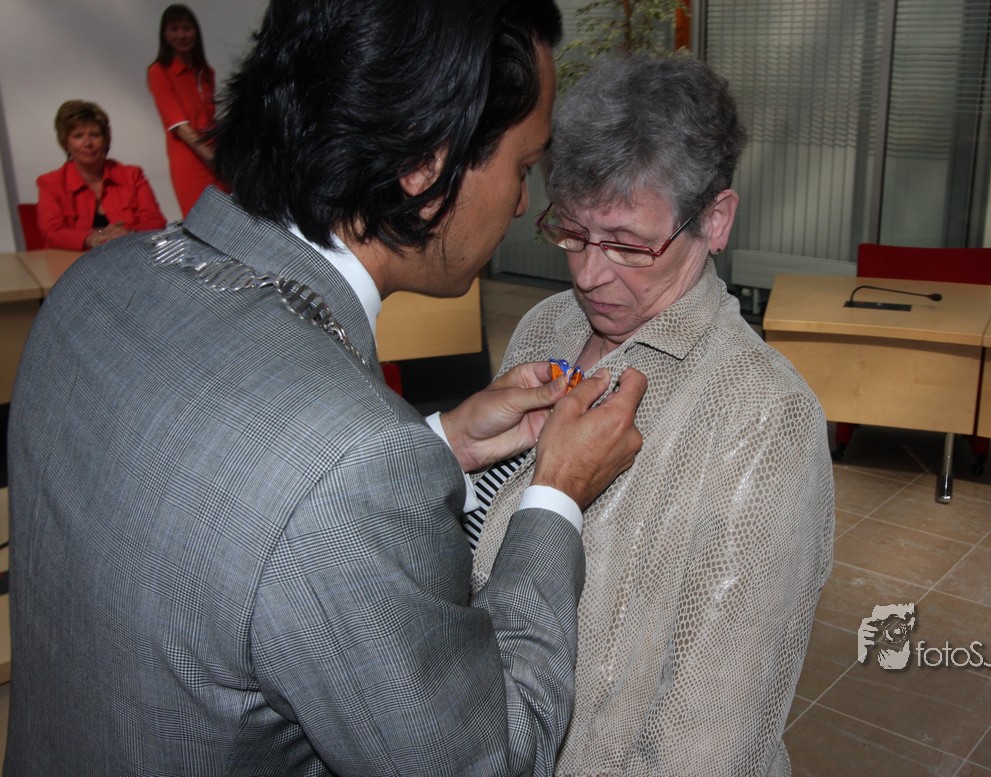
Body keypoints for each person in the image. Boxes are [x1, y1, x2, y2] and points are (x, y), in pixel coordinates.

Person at [5, 1, 647, 774]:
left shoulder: (93, 288)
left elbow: (231, 507)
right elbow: (486, 756)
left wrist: (439, 440)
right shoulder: (347, 468)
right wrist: (557, 495)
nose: (521, 202)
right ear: (427, 164)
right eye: (522, 166)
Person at [466, 53, 835, 776]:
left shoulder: (765, 419)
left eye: (629, 246)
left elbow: (710, 746)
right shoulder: (545, 327)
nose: (588, 273)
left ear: (715, 220)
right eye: (572, 233)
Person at [35, 100, 167, 250]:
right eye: (78, 136)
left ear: (106, 140)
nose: (87, 143)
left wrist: (129, 233)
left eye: (95, 135)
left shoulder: (132, 175)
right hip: (72, 261)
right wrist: (91, 238)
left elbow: (156, 222)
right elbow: (51, 232)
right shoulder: (50, 182)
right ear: (66, 143)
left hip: (127, 256)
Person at [147, 3, 228, 216]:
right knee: (201, 221)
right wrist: (214, 160)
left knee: (229, 220)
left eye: (186, 28)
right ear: (165, 35)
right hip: (190, 161)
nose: (181, 35)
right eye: (174, 29)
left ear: (196, 32)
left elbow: (210, 119)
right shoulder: (159, 72)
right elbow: (181, 128)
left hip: (215, 157)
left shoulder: (206, 72)